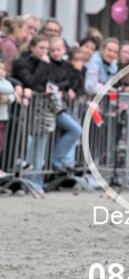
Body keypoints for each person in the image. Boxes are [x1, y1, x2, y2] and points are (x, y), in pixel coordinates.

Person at [12, 35, 55, 191]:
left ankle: (37, 182)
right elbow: (30, 82)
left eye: (46, 49)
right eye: (41, 48)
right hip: (25, 110)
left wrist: (41, 87)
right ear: (32, 47)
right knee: (28, 146)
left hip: (41, 109)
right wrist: (43, 64)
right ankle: (26, 182)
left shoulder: (47, 63)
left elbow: (47, 83)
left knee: (40, 146)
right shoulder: (22, 62)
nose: (44, 52)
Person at [49, 37, 82, 172]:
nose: (56, 53)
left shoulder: (66, 66)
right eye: (53, 50)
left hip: (63, 106)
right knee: (75, 129)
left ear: (64, 50)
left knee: (73, 130)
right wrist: (64, 87)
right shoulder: (48, 65)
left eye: (58, 50)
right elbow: (52, 83)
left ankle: (60, 161)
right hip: (52, 107)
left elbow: (73, 82)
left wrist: (77, 72)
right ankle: (56, 161)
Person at [0, 58, 15, 174]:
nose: (1, 71)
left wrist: (7, 99)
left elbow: (11, 92)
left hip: (2, 118)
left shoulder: (6, 82)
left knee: (1, 145)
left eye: (3, 69)